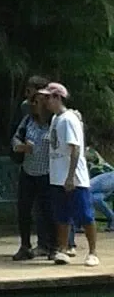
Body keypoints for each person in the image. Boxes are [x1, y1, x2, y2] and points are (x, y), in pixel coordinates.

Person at [45, 82, 101, 267]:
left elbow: (75, 149)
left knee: (84, 215)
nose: (45, 101)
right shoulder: (55, 119)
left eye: (48, 97)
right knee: (61, 215)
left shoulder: (69, 120)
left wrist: (70, 177)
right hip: (57, 176)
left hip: (74, 178)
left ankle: (93, 252)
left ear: (58, 98)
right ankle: (62, 248)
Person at [11, 75, 55, 261]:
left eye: (36, 102)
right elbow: (15, 139)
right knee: (24, 209)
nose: (32, 105)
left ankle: (52, 246)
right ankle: (25, 245)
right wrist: (20, 147)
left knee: (47, 210)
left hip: (46, 173)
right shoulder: (28, 120)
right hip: (28, 172)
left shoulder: (54, 123)